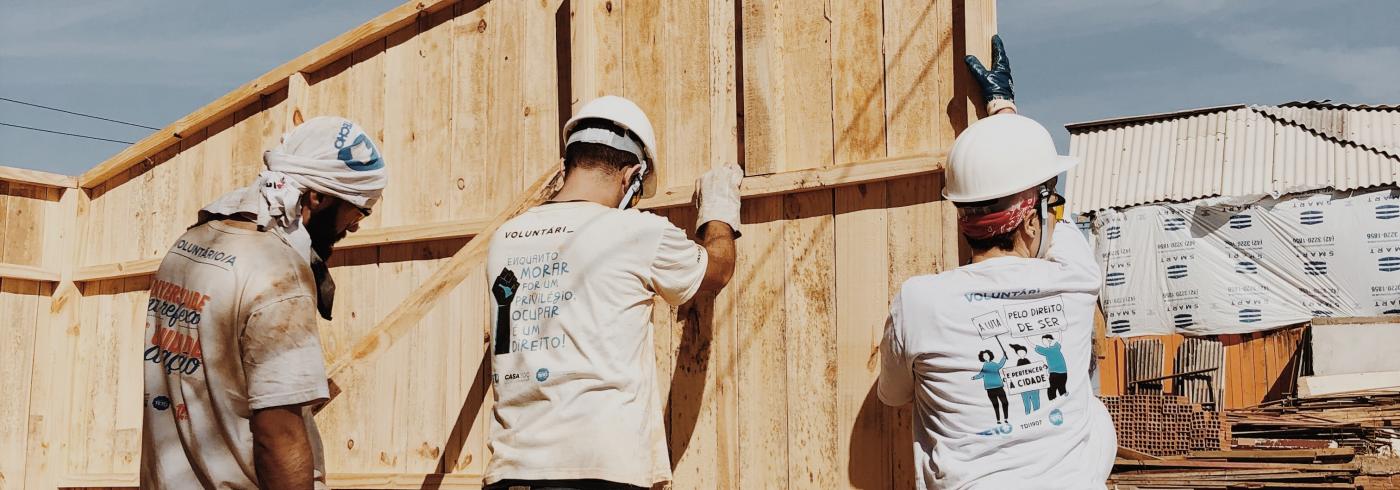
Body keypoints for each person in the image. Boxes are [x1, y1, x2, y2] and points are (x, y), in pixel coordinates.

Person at [877, 35, 1117, 488]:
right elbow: (1038, 202)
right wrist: (1003, 106)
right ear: (1031, 224)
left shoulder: (919, 302)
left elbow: (892, 396)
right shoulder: (1076, 278)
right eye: (1052, 208)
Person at [483, 95, 741, 490]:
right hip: (599, 471)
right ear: (631, 175)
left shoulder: (504, 238)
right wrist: (718, 210)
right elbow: (717, 269)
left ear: (569, 163)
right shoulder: (635, 232)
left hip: (511, 473)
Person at [142, 117, 388, 489]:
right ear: (318, 197)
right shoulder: (278, 276)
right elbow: (278, 436)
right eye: (359, 210)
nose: (355, 226)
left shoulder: (189, 246)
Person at [971, 350, 1010, 424]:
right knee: (995, 404)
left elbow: (1000, 365)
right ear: (982, 358)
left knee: (1005, 402)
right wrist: (974, 377)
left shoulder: (994, 364)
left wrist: (1004, 357)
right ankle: (998, 420)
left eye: (987, 355)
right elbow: (981, 374)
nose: (986, 357)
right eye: (984, 356)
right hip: (990, 389)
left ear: (990, 355)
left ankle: (1006, 418)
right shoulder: (984, 366)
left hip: (999, 387)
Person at [1009, 344, 1042, 414]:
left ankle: (1038, 414)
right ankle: (1028, 415)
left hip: (1033, 385)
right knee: (1027, 405)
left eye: (1023, 352)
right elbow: (1015, 374)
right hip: (1024, 387)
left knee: (1036, 403)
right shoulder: (1018, 363)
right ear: (1017, 353)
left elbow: (1036, 370)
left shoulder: (1028, 362)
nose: (1021, 354)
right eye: (1019, 352)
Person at [1037, 334, 1069, 400]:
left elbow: (1034, 346)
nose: (1043, 342)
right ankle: (1064, 397)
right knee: (1061, 389)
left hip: (1055, 373)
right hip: (1063, 372)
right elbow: (1059, 340)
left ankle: (1056, 402)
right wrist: (1060, 332)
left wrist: (1026, 339)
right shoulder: (1055, 347)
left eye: (1044, 340)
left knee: (1052, 390)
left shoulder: (1047, 350)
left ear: (1049, 340)